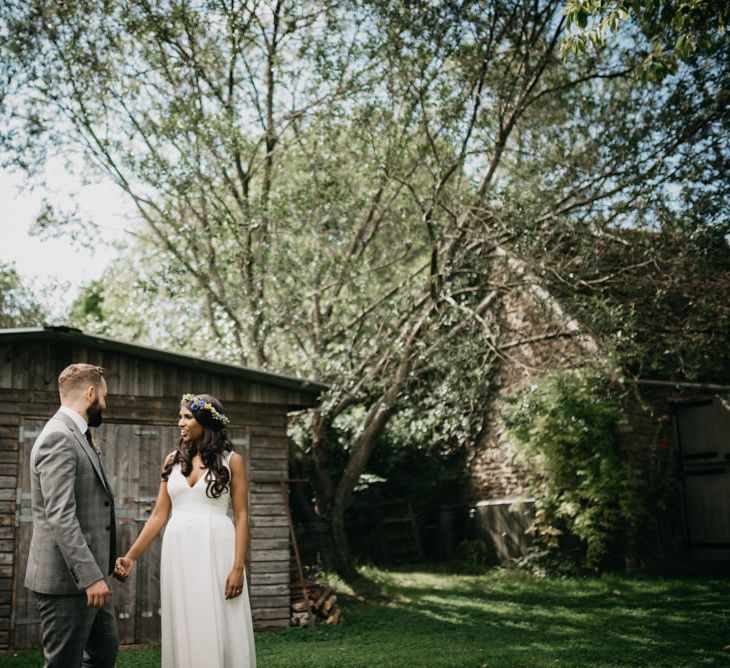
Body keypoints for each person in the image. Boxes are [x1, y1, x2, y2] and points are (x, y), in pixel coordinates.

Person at [115, 393, 256, 667]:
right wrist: (131, 556)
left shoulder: (232, 461)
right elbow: (158, 515)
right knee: (187, 618)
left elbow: (241, 516)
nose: (180, 423)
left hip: (217, 549)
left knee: (219, 617)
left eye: (187, 417)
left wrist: (238, 567)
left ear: (205, 421)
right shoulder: (172, 460)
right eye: (180, 417)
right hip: (179, 552)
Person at [25, 363, 119, 668]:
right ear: (90, 394)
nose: (104, 403)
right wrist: (91, 577)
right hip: (69, 582)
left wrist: (104, 565)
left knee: (104, 654)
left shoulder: (78, 435)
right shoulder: (59, 437)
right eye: (103, 396)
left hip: (92, 575)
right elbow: (61, 516)